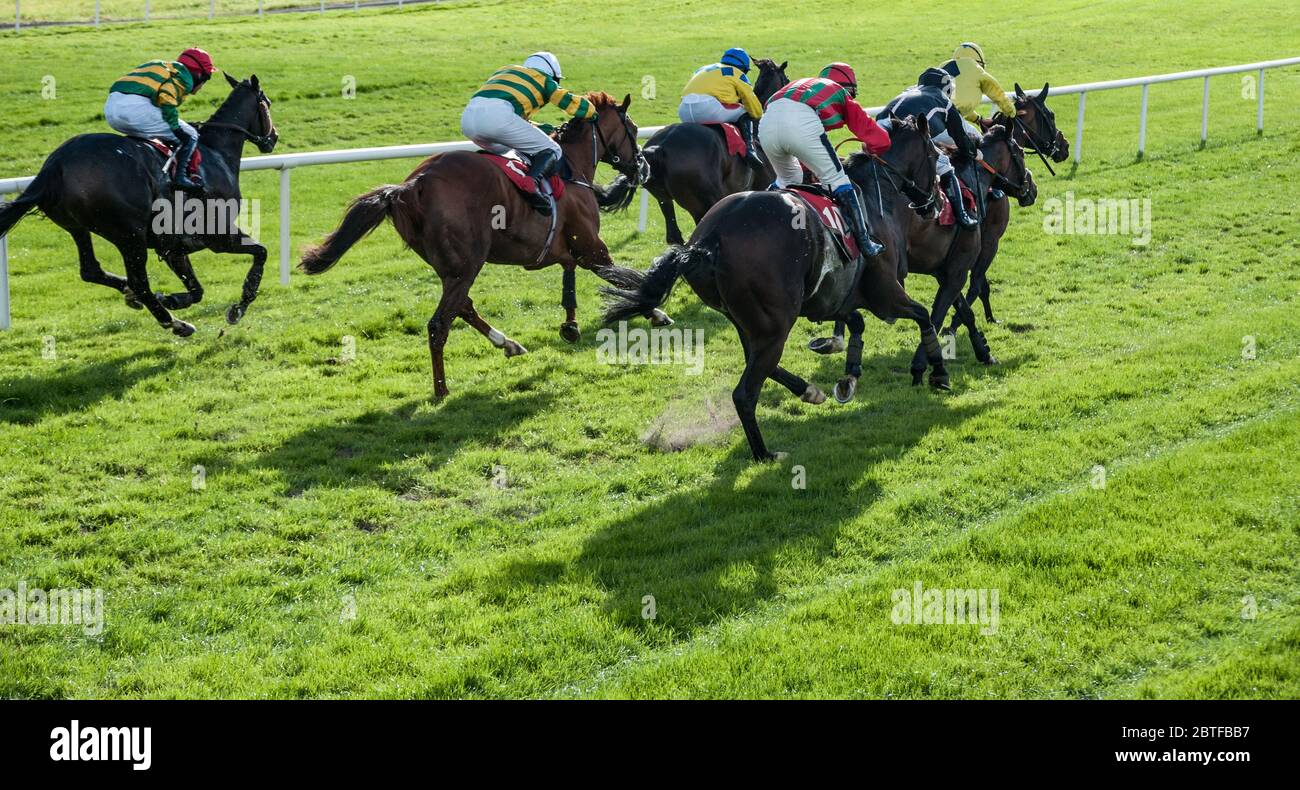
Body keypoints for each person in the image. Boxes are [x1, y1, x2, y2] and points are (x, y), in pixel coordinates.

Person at [759, 62, 890, 257]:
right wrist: (872, 148)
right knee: (837, 179)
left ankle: (762, 220)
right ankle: (865, 243)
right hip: (799, 121)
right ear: (847, 88)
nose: (851, 98)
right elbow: (879, 139)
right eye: (852, 94)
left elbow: (802, 146)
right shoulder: (839, 92)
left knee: (788, 179)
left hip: (767, 123)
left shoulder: (804, 85)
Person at [460, 52, 596, 215]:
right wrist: (592, 112)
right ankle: (531, 184)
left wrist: (544, 128)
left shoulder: (506, 70)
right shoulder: (544, 80)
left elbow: (517, 123)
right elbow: (567, 101)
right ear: (551, 74)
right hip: (498, 118)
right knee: (554, 150)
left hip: (468, 120)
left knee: (509, 152)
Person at [878, 68, 981, 229]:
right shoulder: (943, 100)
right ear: (945, 87)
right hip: (908, 133)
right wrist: (972, 152)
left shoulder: (908, 91)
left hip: (882, 126)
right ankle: (962, 215)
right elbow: (960, 135)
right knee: (944, 163)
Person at [104, 48, 216, 192]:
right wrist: (176, 129)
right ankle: (181, 178)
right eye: (206, 78)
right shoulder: (185, 77)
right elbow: (167, 99)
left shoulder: (163, 66)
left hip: (111, 109)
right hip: (135, 110)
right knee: (191, 135)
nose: (202, 86)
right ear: (199, 74)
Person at [678, 47, 766, 169]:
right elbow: (750, 99)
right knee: (745, 111)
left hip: (683, 110)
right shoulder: (736, 72)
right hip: (707, 108)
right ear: (743, 68)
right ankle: (750, 152)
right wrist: (758, 114)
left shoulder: (702, 69)